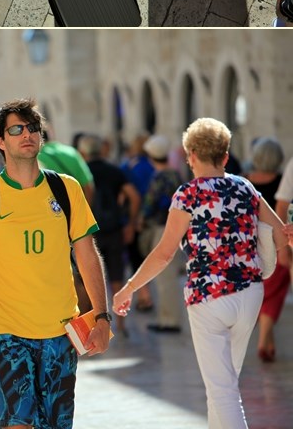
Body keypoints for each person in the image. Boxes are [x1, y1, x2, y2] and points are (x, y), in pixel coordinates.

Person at [113, 115, 288, 429]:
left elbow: (164, 253)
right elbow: (280, 232)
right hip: (250, 294)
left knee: (222, 390)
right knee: (223, 384)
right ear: (225, 156)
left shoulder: (187, 195)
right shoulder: (246, 187)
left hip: (209, 297)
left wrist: (129, 288)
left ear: (191, 156)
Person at [0, 97, 108, 429]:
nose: (27, 134)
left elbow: (87, 255)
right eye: (16, 130)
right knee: (18, 424)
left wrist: (101, 316)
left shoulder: (66, 189)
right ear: (0, 141)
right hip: (7, 335)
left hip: (61, 334)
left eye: (32, 128)